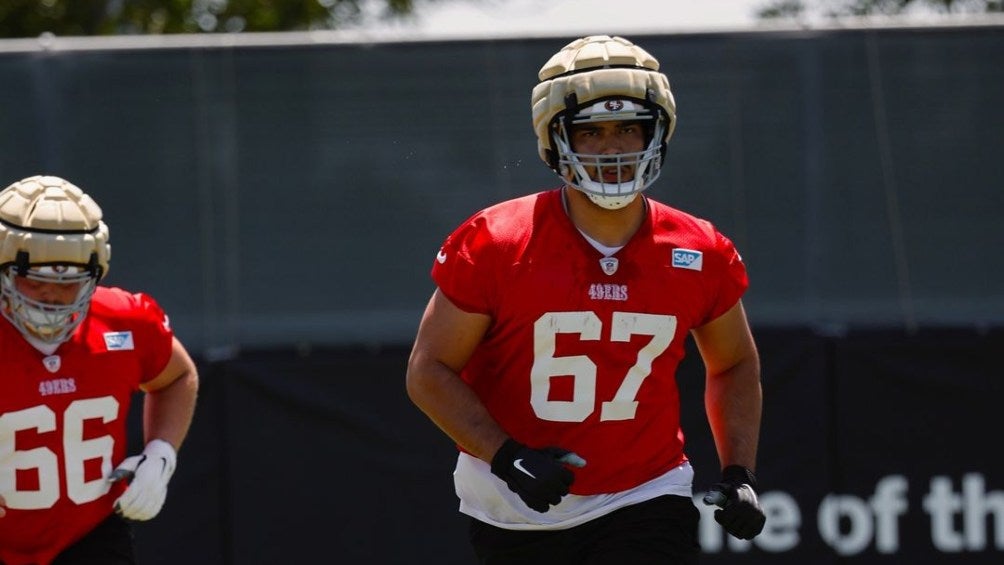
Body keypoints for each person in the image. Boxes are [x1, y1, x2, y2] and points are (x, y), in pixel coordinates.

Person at [406, 35, 765, 563]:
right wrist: (509, 457)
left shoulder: (698, 249)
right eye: (591, 131)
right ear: (555, 139)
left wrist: (739, 471)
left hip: (646, 491)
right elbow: (429, 370)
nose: (613, 147)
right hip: (513, 503)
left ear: (658, 132)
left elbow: (733, 362)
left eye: (628, 128)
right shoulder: (498, 241)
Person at [0, 175, 199, 565]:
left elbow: (176, 376)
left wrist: (161, 454)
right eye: (33, 281)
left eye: (68, 283)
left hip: (88, 536)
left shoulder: (124, 321)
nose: (51, 296)